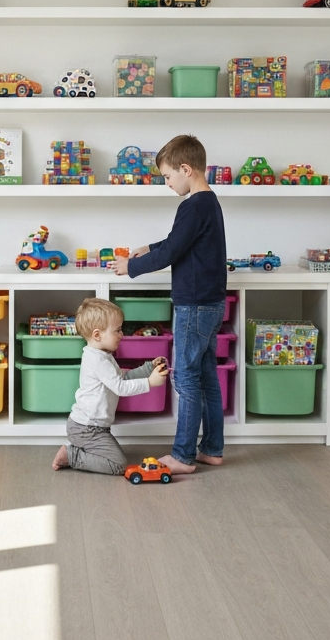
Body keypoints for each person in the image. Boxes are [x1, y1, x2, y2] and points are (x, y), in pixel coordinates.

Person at [112, 134, 227, 474]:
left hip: (193, 306)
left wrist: (130, 267)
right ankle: (213, 449)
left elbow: (174, 251)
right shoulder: (209, 202)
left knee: (186, 379)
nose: (167, 183)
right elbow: (177, 242)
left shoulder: (191, 205)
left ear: (186, 169)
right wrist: (149, 247)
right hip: (211, 303)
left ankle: (183, 456)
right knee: (206, 377)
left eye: (167, 176)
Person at [52, 297, 168, 475]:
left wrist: (148, 368)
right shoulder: (98, 360)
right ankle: (72, 456)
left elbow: (123, 376)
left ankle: (81, 452)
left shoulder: (102, 355)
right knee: (118, 465)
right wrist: (150, 382)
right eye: (117, 330)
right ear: (97, 335)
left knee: (115, 458)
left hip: (93, 427)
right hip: (86, 429)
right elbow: (120, 387)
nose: (121, 335)